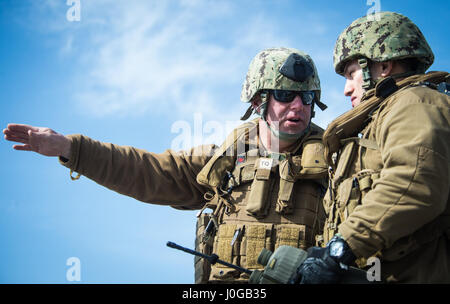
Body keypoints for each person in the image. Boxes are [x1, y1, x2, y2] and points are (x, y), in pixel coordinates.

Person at [4, 47, 329, 283]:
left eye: (307, 97)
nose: (298, 105)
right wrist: (72, 148)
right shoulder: (225, 162)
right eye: (286, 95)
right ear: (258, 100)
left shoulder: (336, 161)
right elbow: (146, 171)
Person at [297, 12, 450, 284]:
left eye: (351, 73)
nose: (346, 89)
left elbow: (414, 182)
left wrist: (339, 248)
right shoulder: (377, 121)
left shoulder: (416, 103)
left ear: (383, 66)